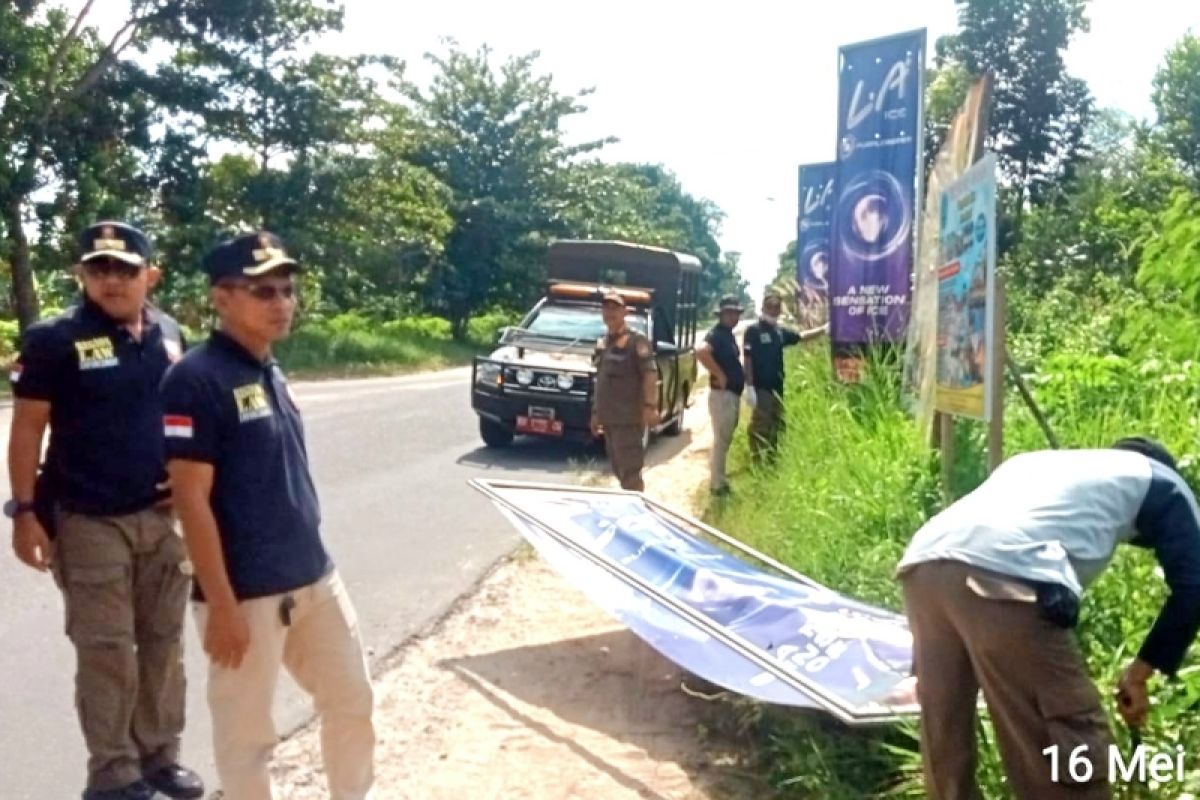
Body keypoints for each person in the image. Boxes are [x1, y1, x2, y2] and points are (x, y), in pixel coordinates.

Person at [160, 232, 375, 799]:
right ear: (222, 298)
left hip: (314, 580)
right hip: (246, 597)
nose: (281, 303)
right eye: (263, 291)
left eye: (286, 290)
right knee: (247, 738)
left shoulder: (269, 371)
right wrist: (222, 602)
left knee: (353, 701)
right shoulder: (195, 379)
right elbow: (190, 499)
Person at [7, 222, 201, 800]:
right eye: (99, 269)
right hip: (87, 518)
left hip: (161, 520)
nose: (112, 280)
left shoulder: (170, 333)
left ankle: (161, 757)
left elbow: (180, 415)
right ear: (82, 276)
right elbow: (26, 432)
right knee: (108, 649)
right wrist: (23, 512)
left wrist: (185, 472)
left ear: (151, 275)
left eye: (125, 269)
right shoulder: (54, 339)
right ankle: (114, 772)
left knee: (164, 642)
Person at [896, 438, 1200, 800]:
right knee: (1068, 748)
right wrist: (1139, 675)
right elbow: (1194, 587)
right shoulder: (1163, 480)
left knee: (945, 744)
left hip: (924, 568)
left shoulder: (1041, 465)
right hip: (1002, 577)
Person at [742, 291, 825, 460]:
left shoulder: (778, 332)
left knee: (777, 425)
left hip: (777, 388)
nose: (773, 310)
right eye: (770, 306)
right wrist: (749, 386)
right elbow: (748, 359)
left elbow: (800, 337)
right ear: (763, 307)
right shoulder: (753, 331)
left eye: (776, 307)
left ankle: (773, 460)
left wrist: (823, 330)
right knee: (760, 426)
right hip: (761, 388)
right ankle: (757, 460)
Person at [591, 291, 657, 492]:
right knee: (619, 471)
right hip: (609, 420)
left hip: (627, 419)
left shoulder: (636, 341)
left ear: (625, 312)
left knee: (630, 474)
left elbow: (650, 374)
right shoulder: (604, 343)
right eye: (606, 308)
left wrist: (649, 406)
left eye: (614, 308)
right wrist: (595, 413)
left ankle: (638, 515)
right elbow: (600, 381)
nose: (609, 313)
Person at [695, 295, 744, 495]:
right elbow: (701, 351)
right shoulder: (716, 334)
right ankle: (717, 484)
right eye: (729, 313)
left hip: (731, 394)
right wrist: (719, 374)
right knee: (721, 440)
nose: (733, 317)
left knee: (725, 439)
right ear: (721, 315)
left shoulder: (728, 335)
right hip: (722, 395)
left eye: (736, 313)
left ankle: (720, 478)